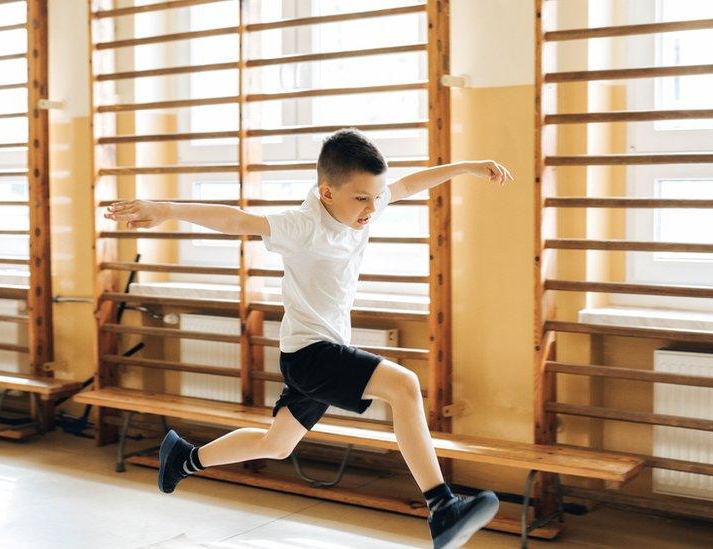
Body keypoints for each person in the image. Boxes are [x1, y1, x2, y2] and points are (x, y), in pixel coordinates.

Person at [104, 128, 514, 549]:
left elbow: (409, 184)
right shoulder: (302, 225)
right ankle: (441, 506)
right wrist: (166, 208)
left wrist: (467, 167)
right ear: (326, 192)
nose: (372, 208)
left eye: (376, 197)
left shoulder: (364, 204)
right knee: (405, 385)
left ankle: (183, 458)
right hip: (312, 355)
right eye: (361, 199)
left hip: (309, 354)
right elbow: (234, 219)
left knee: (276, 444)